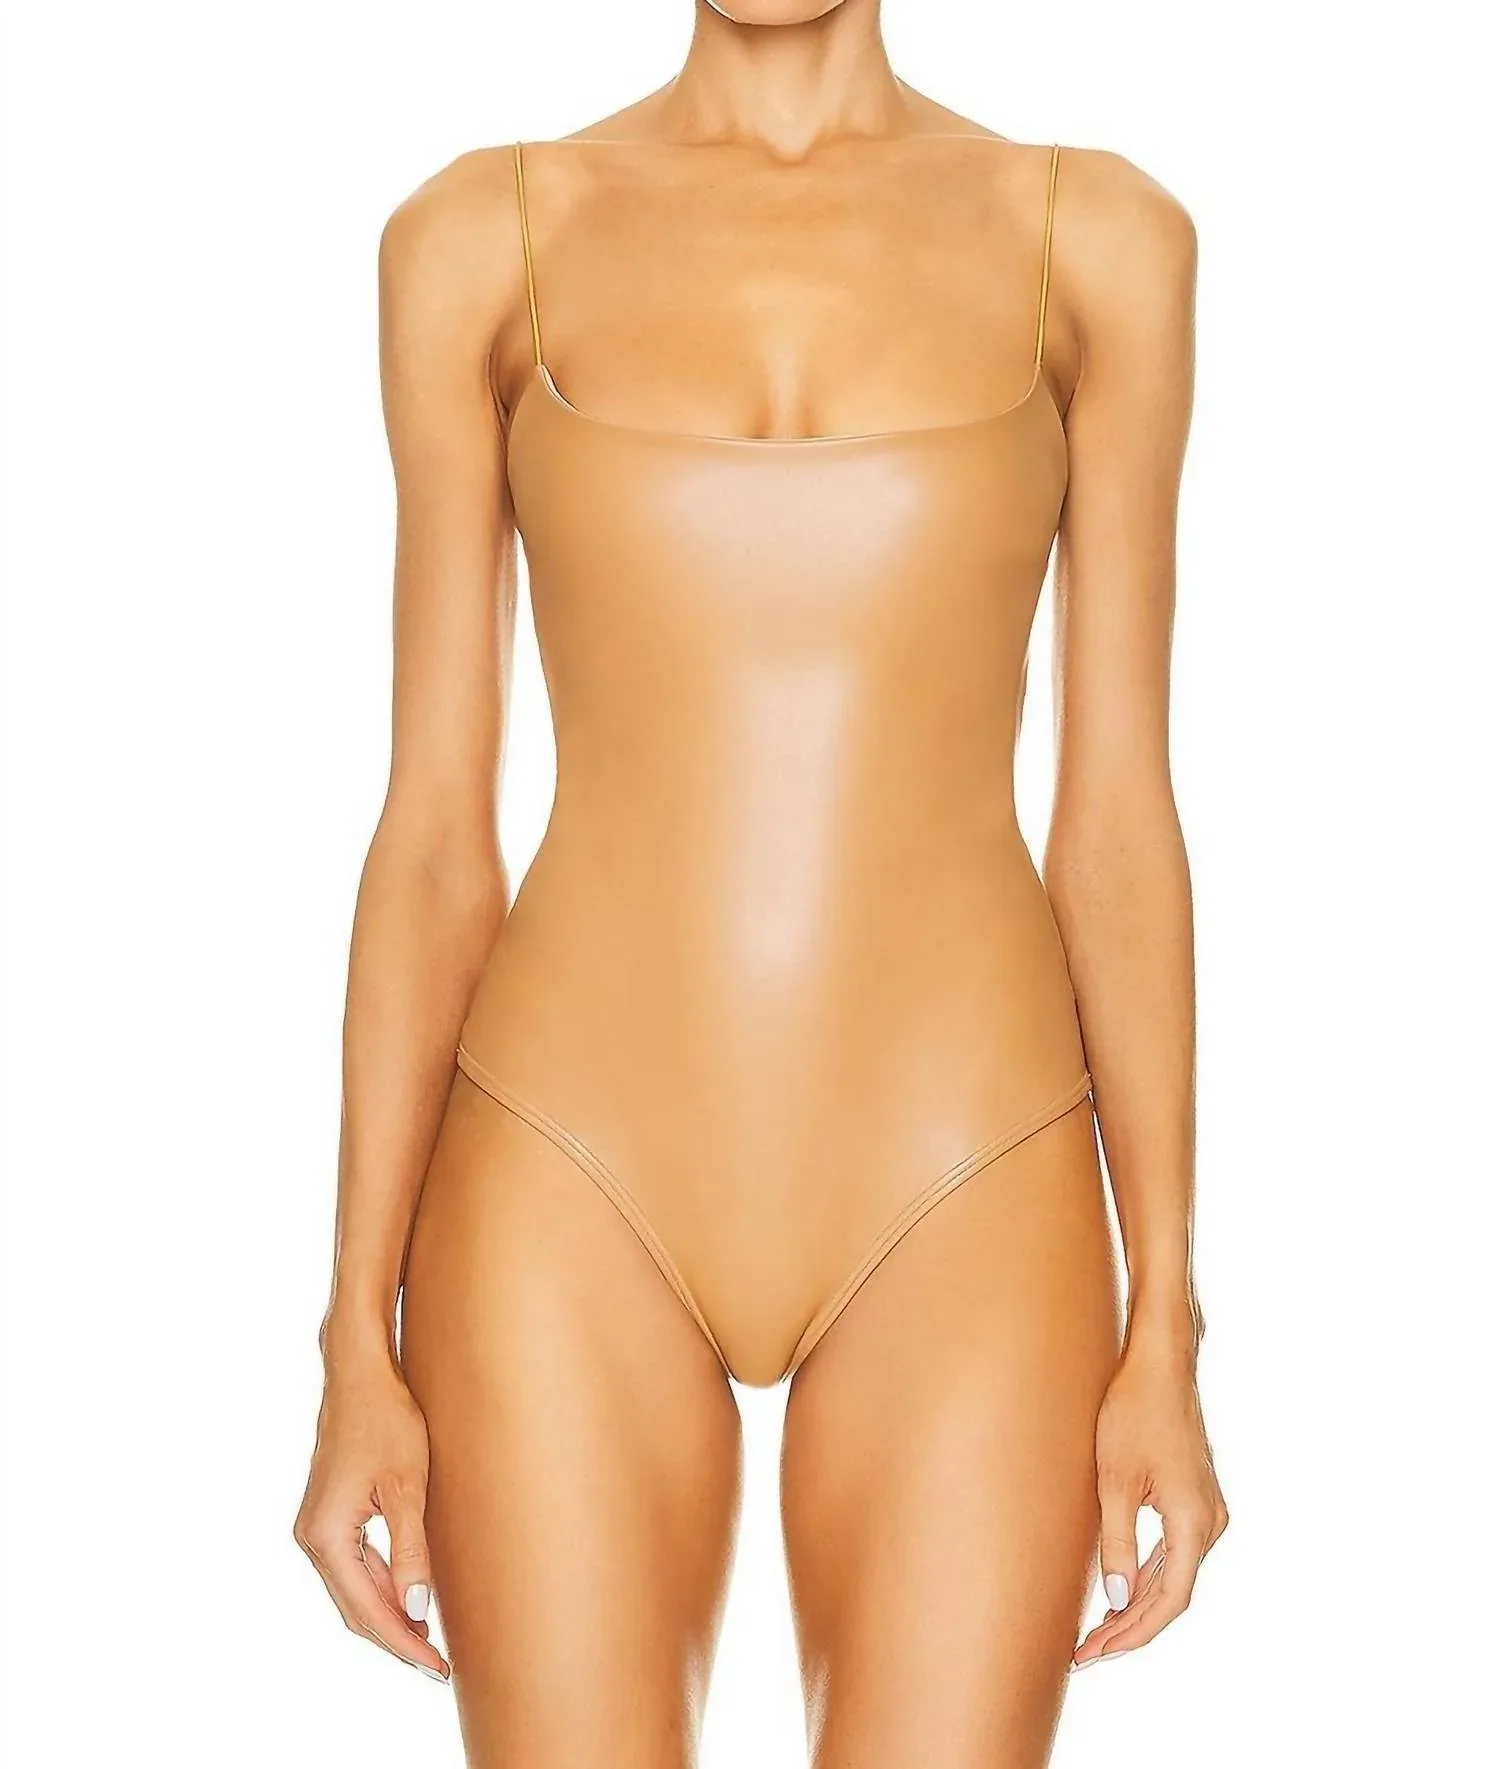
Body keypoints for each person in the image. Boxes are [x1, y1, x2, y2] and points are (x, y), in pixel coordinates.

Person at [294, 2, 1227, 1762]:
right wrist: (353, 1333)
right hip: (564, 1166)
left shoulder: (1098, 244)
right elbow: (432, 835)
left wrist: (1165, 1324)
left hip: (970, 1164)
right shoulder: (477, 240)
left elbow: (1114, 816)